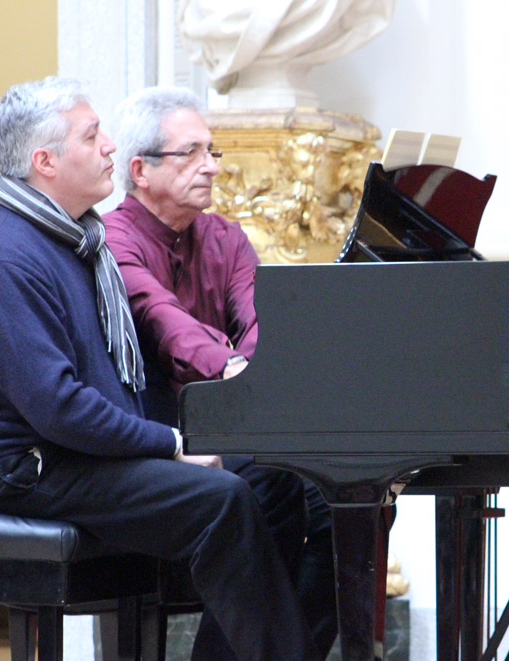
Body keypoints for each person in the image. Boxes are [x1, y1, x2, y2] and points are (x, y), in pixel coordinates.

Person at [0, 76, 318, 660]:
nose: (110, 145)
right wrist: (172, 444)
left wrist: (188, 439)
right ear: (45, 162)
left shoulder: (72, 240)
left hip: (70, 453)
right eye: (92, 137)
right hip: (24, 469)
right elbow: (59, 408)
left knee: (278, 482)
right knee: (223, 499)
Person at [102, 86, 339, 658]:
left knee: (343, 497)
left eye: (212, 151)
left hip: (232, 424)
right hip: (158, 437)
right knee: (270, 480)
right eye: (192, 153)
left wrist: (256, 365)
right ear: (141, 170)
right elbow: (161, 319)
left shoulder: (225, 237)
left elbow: (260, 320)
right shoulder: (113, 238)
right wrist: (233, 366)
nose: (211, 166)